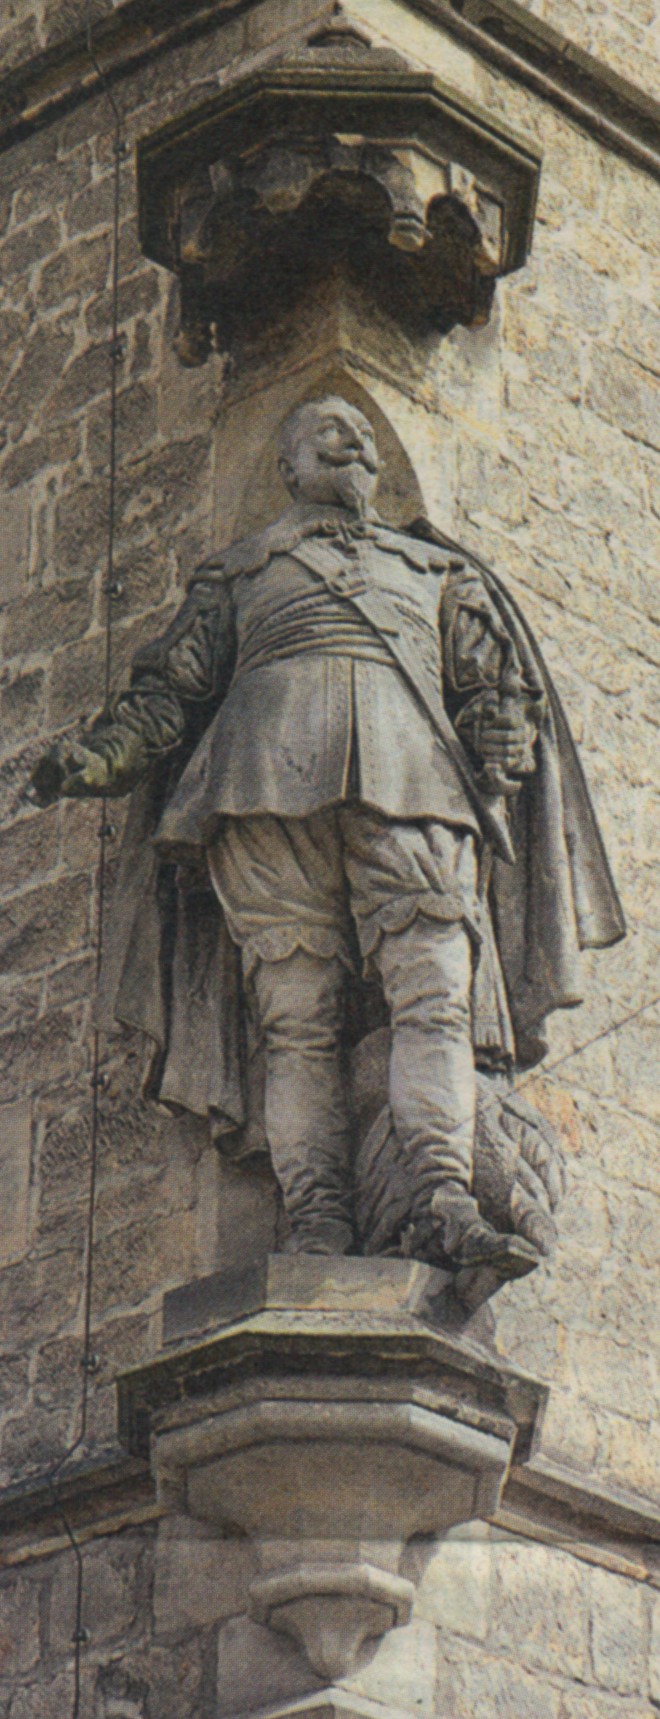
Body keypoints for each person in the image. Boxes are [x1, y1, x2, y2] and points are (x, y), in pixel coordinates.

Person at [31, 396, 625, 1277]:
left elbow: (499, 686)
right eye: (322, 429)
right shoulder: (237, 573)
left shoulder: (431, 570)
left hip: (416, 778)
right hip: (263, 782)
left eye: (359, 430)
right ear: (289, 469)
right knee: (296, 1020)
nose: (348, 436)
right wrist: (96, 756)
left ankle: (440, 1190)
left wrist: (505, 729)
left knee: (435, 998)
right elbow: (169, 695)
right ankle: (316, 1217)